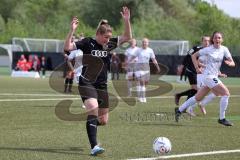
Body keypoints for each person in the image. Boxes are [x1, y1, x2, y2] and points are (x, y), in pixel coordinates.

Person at [64, 6, 132, 155]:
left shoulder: (109, 44)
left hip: (102, 85)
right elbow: (67, 47)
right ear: (98, 35)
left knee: (103, 120)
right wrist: (72, 31)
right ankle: (94, 146)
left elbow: (127, 37)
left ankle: (91, 124)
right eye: (106, 37)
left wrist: (127, 20)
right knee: (93, 108)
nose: (108, 40)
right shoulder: (87, 42)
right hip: (86, 82)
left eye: (109, 38)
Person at [175, 31, 235, 126]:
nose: (217, 39)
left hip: (213, 76)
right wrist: (197, 68)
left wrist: (230, 63)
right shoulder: (208, 49)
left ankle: (179, 110)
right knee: (226, 93)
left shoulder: (224, 49)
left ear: (222, 40)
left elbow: (232, 62)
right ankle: (222, 118)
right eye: (215, 37)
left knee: (197, 97)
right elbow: (194, 56)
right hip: (208, 76)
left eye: (219, 38)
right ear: (213, 39)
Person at [174, 36, 210, 115]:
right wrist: (182, 66)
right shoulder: (195, 48)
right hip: (191, 71)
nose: (206, 42)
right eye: (205, 41)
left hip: (200, 73)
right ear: (202, 41)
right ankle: (186, 107)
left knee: (195, 91)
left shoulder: (210, 50)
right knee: (196, 90)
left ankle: (182, 101)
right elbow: (187, 56)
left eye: (208, 41)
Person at [132, 38, 160, 103]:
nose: (144, 43)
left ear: (148, 43)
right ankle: (143, 98)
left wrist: (157, 67)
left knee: (145, 83)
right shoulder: (138, 50)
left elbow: (153, 59)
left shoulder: (150, 50)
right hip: (139, 69)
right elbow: (134, 58)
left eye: (146, 42)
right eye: (143, 42)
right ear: (142, 43)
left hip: (147, 69)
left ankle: (139, 96)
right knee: (142, 83)